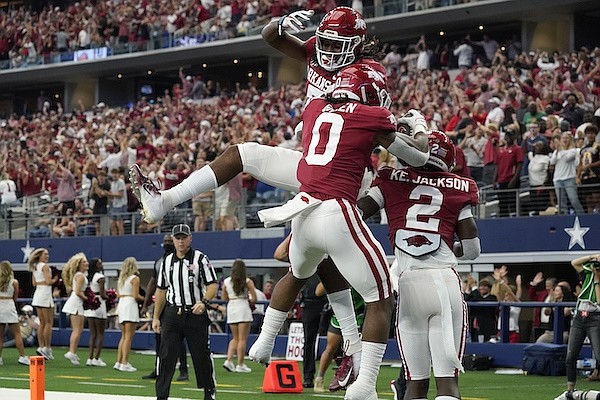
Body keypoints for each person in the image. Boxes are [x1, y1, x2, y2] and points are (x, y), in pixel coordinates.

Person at [251, 62, 415, 400]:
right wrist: (417, 127)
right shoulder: (373, 115)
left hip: (303, 207)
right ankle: (365, 384)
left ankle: (265, 341)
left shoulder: (314, 106)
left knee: (296, 274)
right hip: (336, 208)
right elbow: (414, 152)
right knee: (381, 298)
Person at [357, 130, 480, 400]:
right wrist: (446, 246)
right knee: (447, 383)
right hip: (443, 282)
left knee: (415, 384)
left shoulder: (390, 178)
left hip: (409, 284)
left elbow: (356, 213)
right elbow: (472, 250)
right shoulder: (459, 187)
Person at [152, 224, 218, 400]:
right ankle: (161, 395)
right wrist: (156, 317)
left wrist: (204, 302)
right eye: (177, 238)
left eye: (183, 237)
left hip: (195, 314)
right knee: (166, 356)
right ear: (172, 240)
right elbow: (161, 290)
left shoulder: (200, 259)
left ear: (190, 238)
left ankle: (209, 392)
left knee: (201, 355)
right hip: (172, 315)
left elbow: (212, 284)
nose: (180, 241)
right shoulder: (166, 261)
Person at [141, 234, 189, 381]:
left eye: (170, 241)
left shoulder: (184, 260)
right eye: (166, 241)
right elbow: (153, 283)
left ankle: (183, 370)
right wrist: (146, 304)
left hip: (176, 304)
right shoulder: (159, 262)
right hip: (163, 304)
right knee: (159, 338)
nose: (168, 243)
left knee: (179, 338)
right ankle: (158, 368)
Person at [556, 254, 600, 400]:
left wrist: (597, 281)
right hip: (580, 316)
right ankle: (570, 389)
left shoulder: (595, 279)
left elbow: (599, 301)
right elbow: (574, 262)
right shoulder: (587, 273)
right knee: (571, 355)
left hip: (595, 317)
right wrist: (592, 257)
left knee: (599, 356)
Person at [221, 259, 257, 373]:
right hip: (243, 307)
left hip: (232, 308)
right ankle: (240, 364)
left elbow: (223, 298)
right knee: (242, 339)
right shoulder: (247, 281)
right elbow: (255, 298)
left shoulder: (226, 282)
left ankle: (229, 360)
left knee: (235, 338)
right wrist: (249, 299)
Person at [115, 257, 145, 372]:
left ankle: (119, 362)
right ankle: (125, 363)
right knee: (128, 336)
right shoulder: (134, 279)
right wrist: (146, 299)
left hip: (121, 305)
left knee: (123, 336)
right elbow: (135, 295)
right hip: (130, 306)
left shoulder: (121, 279)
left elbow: (118, 295)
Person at [28, 248, 58, 360]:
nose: (47, 256)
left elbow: (34, 283)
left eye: (48, 254)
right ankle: (47, 347)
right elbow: (49, 282)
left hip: (38, 294)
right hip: (45, 294)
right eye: (45, 254)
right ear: (39, 256)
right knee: (49, 322)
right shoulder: (45, 267)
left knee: (42, 322)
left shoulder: (35, 267)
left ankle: (41, 346)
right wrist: (55, 278)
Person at [61, 253, 90, 366]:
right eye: (84, 262)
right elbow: (78, 292)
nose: (86, 263)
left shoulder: (79, 275)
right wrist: (88, 299)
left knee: (78, 329)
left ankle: (73, 352)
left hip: (76, 302)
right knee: (77, 330)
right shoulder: (80, 276)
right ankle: (71, 351)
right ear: (79, 265)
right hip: (76, 303)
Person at [0, 261, 31, 366]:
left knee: (0, 336)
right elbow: (15, 297)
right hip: (9, 306)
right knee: (17, 334)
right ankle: (22, 356)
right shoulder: (14, 282)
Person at [83, 258, 108, 367]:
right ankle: (96, 358)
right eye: (99, 263)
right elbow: (102, 294)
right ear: (96, 265)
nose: (101, 264)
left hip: (90, 306)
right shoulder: (100, 277)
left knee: (93, 334)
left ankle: (90, 358)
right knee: (100, 334)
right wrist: (111, 297)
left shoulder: (90, 277)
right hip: (99, 305)